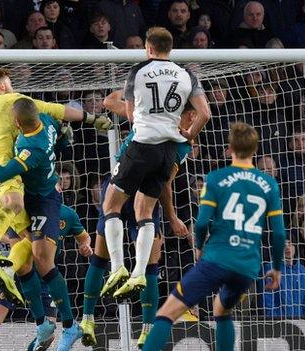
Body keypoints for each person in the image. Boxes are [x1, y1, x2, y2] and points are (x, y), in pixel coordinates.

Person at [0, 68, 111, 309]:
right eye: (10, 82)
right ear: (3, 86)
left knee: (28, 239)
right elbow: (57, 110)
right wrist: (90, 118)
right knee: (17, 208)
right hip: (1, 173)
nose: (13, 86)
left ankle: (9, 277)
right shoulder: (14, 102)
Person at [141, 122, 286, 351]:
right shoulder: (269, 184)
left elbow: (200, 224)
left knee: (166, 313)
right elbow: (278, 233)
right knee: (221, 309)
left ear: (229, 148)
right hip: (247, 268)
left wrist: (199, 248)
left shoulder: (216, 178)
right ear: (255, 150)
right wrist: (277, 268)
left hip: (217, 259)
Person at [100, 27, 210, 302]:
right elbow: (205, 113)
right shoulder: (187, 75)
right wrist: (189, 133)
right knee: (144, 212)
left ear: (148, 49)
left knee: (111, 205)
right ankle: (138, 272)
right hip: (169, 150)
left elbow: (129, 113)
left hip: (143, 145)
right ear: (169, 49)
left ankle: (116, 268)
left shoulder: (138, 71)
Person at [79, 92, 194, 348]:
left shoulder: (147, 117)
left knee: (101, 259)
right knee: (148, 263)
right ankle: (147, 329)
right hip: (146, 196)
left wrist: (135, 88)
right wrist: (173, 217)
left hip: (121, 185)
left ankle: (88, 318)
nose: (192, 120)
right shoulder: (182, 142)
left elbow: (108, 101)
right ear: (183, 113)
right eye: (190, 115)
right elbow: (165, 183)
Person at [0, 98, 84, 350]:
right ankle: (42, 323)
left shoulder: (28, 146)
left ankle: (70, 327)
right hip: (31, 196)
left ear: (15, 123)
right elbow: (61, 137)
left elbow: (2, 174)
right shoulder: (47, 122)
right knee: (25, 263)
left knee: (43, 262)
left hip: (43, 201)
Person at [0, 204, 92, 351]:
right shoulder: (24, 209)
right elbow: (5, 235)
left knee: (47, 336)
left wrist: (85, 246)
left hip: (46, 278)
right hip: (18, 274)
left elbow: (84, 237)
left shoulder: (68, 214)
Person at [262, 239, 305, 318]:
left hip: (301, 323)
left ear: (294, 247)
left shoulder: (303, 271)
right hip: (278, 324)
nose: (287, 248)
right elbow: (268, 300)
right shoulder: (271, 268)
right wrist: (274, 320)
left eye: (290, 244)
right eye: (283, 245)